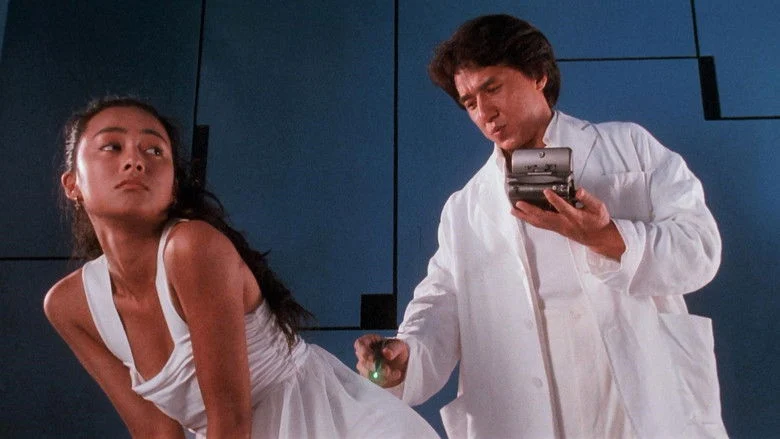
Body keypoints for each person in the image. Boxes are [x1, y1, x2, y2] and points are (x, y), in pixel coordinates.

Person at [355, 14, 728, 438]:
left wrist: (609, 238)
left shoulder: (629, 148)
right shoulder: (466, 209)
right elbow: (441, 303)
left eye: (492, 88)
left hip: (634, 403)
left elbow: (700, 247)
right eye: (470, 102)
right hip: (528, 415)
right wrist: (408, 355)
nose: (485, 113)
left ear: (537, 75)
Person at [43, 96, 440, 439]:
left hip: (338, 425)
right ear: (72, 184)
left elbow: (230, 421)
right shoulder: (68, 306)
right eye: (111, 147)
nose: (134, 161)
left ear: (174, 186)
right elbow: (157, 432)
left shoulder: (191, 247)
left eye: (154, 151)